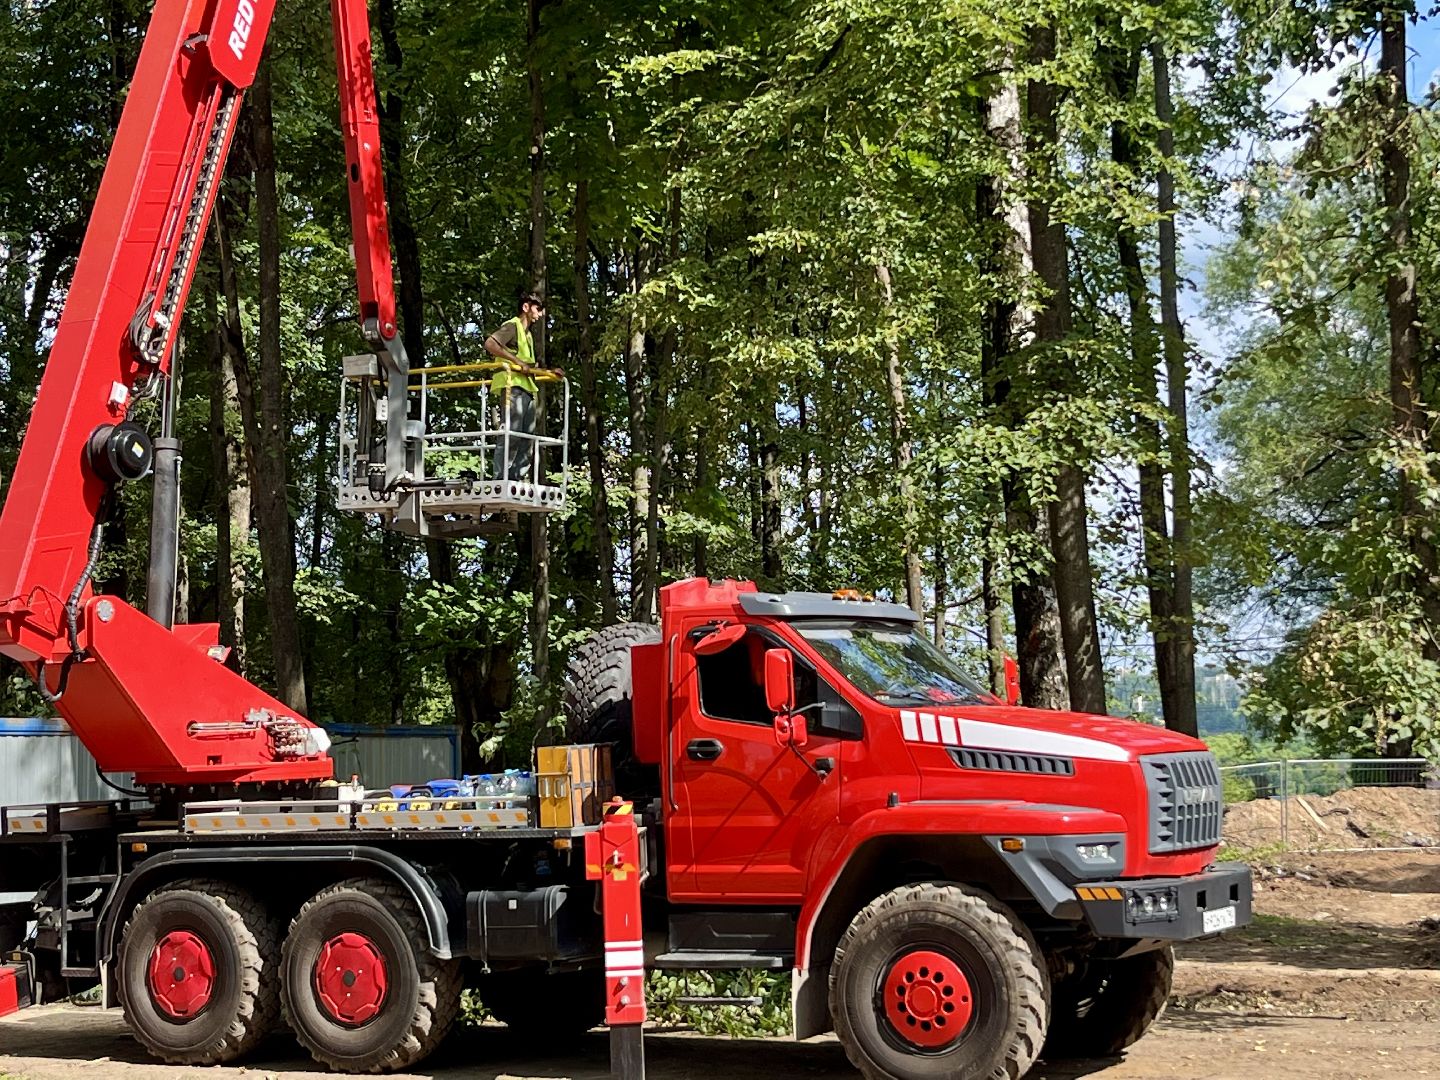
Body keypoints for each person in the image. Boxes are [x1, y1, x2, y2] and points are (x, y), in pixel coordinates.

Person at [484, 292, 559, 482]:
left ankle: (515, 477)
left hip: (527, 388)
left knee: (527, 438)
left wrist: (549, 372)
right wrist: (517, 361)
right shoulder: (512, 326)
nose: (541, 314)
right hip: (512, 385)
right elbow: (490, 344)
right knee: (511, 433)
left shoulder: (528, 335)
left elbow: (528, 365)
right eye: (538, 309)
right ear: (526, 307)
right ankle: (500, 477)